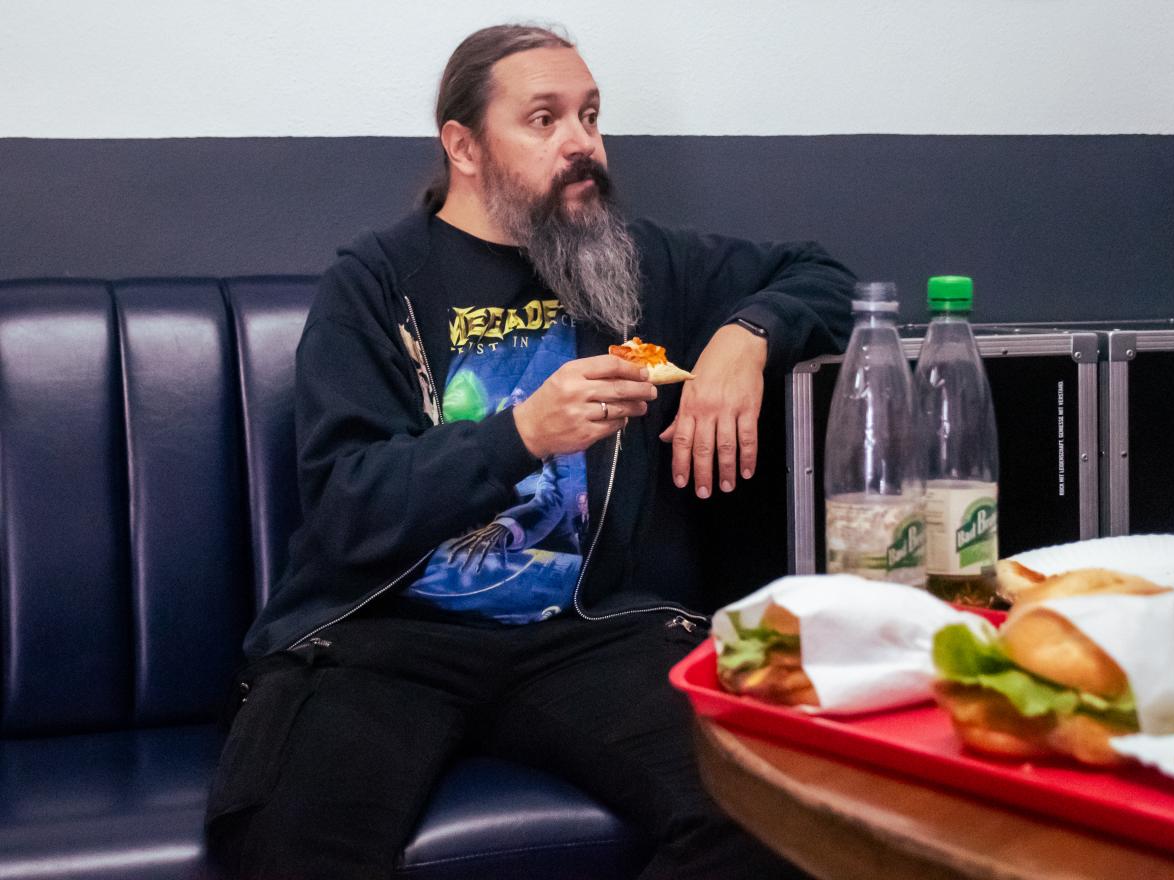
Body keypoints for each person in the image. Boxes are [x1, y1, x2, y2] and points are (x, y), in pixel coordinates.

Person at [204, 22, 853, 879]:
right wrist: (523, 435)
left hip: (583, 633)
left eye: (590, 115)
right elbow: (347, 501)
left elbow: (822, 276)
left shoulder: (636, 261)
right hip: (383, 639)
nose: (582, 143)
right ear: (462, 146)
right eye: (543, 120)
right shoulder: (376, 280)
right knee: (296, 848)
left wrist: (746, 334)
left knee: (772, 813)